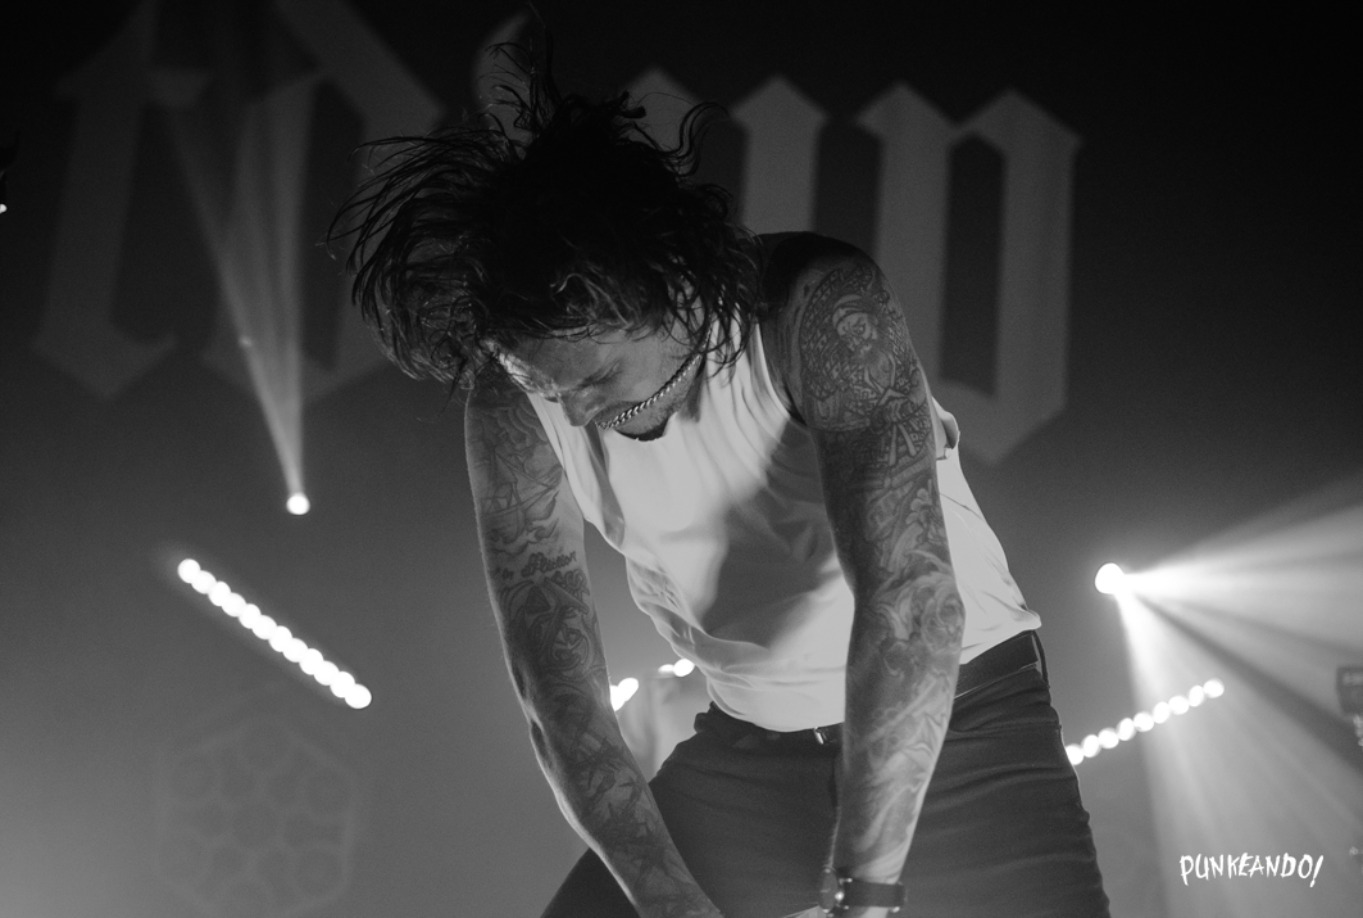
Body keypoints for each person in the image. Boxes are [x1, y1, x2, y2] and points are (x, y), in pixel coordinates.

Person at [334, 48, 1109, 918]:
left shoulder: (819, 308)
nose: (576, 413)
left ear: (664, 289)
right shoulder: (512, 401)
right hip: (750, 749)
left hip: (959, 722)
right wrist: (670, 904)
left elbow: (912, 605)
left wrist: (865, 895)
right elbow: (556, 695)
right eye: (548, 387)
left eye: (596, 377)